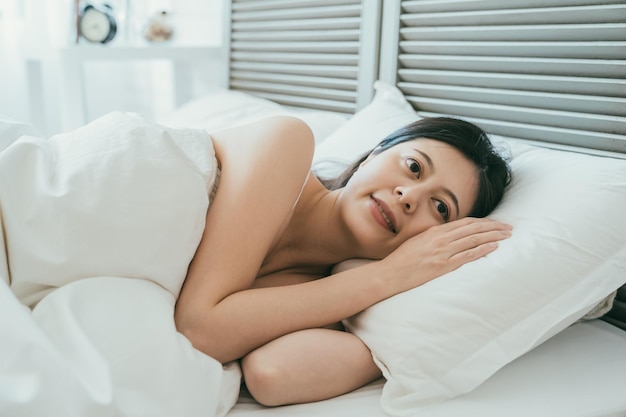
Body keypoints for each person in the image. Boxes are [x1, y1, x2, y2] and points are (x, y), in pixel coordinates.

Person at [174, 115, 512, 406]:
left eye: (440, 208)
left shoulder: (327, 294)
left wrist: (387, 309)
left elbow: (272, 373)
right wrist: (388, 275)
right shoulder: (286, 143)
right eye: (413, 167)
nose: (409, 197)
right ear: (372, 156)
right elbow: (199, 328)